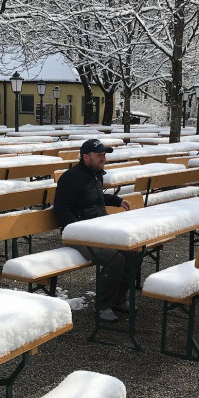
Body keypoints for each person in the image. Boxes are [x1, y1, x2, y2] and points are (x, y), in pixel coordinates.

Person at [54, 138, 136, 322]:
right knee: (115, 260)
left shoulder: (95, 174)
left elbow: (94, 198)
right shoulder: (70, 178)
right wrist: (79, 230)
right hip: (78, 234)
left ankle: (118, 299)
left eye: (104, 155)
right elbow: (61, 208)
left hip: (100, 229)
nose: (103, 158)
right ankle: (102, 306)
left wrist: (116, 201)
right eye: (99, 155)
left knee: (133, 253)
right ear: (85, 157)